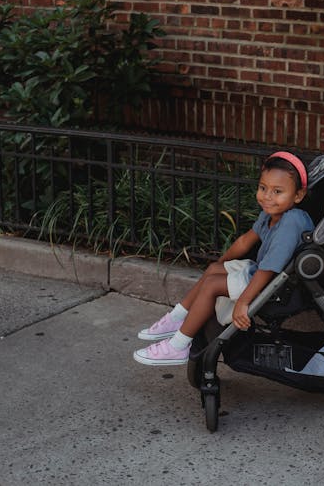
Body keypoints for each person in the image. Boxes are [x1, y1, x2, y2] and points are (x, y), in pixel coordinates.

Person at [133, 152, 314, 366]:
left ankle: (178, 346)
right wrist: (221, 262)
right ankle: (177, 318)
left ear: (298, 195)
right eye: (263, 188)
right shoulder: (272, 213)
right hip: (259, 272)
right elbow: (246, 241)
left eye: (277, 191)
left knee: (211, 285)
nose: (267, 197)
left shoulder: (291, 222)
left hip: (276, 284)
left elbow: (269, 269)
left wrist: (243, 303)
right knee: (212, 271)